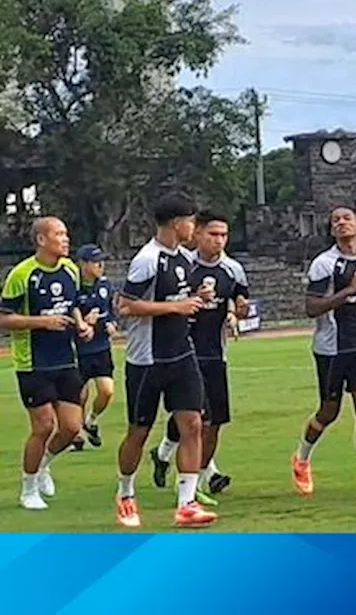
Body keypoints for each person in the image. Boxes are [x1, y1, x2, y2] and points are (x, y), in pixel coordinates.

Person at [114, 193, 217, 528]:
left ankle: (186, 504)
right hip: (147, 360)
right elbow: (126, 306)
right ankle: (125, 493)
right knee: (139, 432)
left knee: (193, 424)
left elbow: (178, 300)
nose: (194, 227)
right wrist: (177, 307)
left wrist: (195, 299)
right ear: (177, 223)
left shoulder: (183, 259)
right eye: (191, 220)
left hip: (181, 354)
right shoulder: (147, 259)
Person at [291, 205, 356, 499]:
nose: (341, 223)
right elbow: (312, 308)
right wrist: (347, 291)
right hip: (331, 347)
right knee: (329, 411)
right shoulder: (323, 264)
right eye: (335, 220)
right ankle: (302, 459)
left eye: (347, 218)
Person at [148, 212, 249, 502]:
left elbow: (240, 301)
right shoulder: (184, 265)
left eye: (223, 235)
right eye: (212, 234)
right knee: (194, 418)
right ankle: (199, 482)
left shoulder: (233, 269)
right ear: (198, 234)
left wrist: (237, 310)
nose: (218, 241)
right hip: (183, 351)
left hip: (215, 353)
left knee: (214, 420)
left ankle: (169, 455)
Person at [1, 217, 94, 510]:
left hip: (65, 360)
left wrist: (82, 326)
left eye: (66, 233)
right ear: (41, 240)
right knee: (43, 426)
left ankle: (43, 464)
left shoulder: (70, 270)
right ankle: (28, 489)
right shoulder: (22, 274)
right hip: (33, 363)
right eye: (59, 234)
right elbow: (4, 318)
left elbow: (73, 304)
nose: (65, 239)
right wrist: (43, 322)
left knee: (70, 428)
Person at [74, 243, 120, 449]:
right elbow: (68, 313)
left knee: (106, 391)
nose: (100, 265)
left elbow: (111, 309)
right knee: (79, 394)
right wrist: (83, 321)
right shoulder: (73, 287)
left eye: (101, 261)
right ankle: (75, 433)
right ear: (83, 264)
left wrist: (111, 322)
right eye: (95, 262)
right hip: (79, 349)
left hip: (101, 347)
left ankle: (90, 421)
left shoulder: (105, 285)